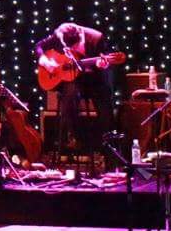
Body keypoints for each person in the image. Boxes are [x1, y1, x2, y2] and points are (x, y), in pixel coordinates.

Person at [35, 23, 115, 154]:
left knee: (105, 104)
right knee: (69, 98)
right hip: (73, 80)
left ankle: (108, 148)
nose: (70, 50)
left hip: (94, 81)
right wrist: (46, 62)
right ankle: (78, 140)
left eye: (73, 47)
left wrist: (102, 65)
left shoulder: (96, 38)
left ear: (80, 37)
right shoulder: (60, 34)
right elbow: (39, 47)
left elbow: (105, 61)